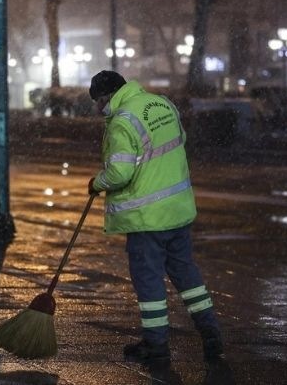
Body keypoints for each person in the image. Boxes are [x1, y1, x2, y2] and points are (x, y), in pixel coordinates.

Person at [87, 70, 224, 362]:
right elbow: (179, 140)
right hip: (178, 210)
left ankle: (156, 346)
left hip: (147, 218)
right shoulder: (162, 104)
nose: (99, 109)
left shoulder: (122, 121)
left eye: (99, 101)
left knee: (149, 282)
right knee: (187, 275)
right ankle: (210, 332)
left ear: (107, 95)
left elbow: (120, 173)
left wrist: (97, 183)